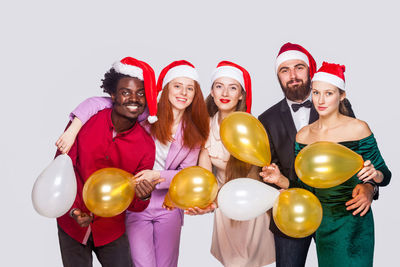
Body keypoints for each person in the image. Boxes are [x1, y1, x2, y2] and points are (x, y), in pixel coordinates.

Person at [56, 60, 210, 267]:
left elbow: (189, 173)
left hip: (164, 206)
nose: (183, 92)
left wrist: (155, 178)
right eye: (177, 86)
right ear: (163, 90)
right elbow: (100, 103)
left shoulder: (189, 133)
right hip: (93, 217)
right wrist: (74, 126)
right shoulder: (146, 118)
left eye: (190, 88)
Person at [257, 43, 377, 267]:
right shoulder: (266, 120)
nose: (293, 75)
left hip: (339, 214)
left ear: (309, 71)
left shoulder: (338, 107)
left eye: (299, 67)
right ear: (278, 77)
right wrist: (273, 180)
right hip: (293, 214)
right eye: (285, 70)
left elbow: (360, 159)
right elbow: (264, 172)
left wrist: (370, 188)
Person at [56, 57, 161, 267]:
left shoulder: (146, 145)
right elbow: (63, 169)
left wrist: (144, 195)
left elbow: (135, 203)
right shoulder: (85, 123)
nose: (134, 98)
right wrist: (75, 211)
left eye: (141, 94)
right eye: (125, 92)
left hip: (111, 229)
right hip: (71, 223)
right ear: (112, 95)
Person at [188, 61, 275, 267]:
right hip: (224, 206)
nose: (225, 92)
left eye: (233, 87)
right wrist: (207, 204)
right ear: (212, 91)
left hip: (254, 207)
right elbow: (206, 177)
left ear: (241, 95)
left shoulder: (251, 128)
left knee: (249, 262)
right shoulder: (205, 128)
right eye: (219, 86)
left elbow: (259, 176)